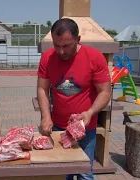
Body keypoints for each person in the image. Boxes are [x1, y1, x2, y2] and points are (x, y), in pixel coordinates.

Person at [36, 18, 111, 180]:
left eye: (66, 46)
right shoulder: (47, 58)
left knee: (85, 172)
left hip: (85, 128)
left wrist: (90, 112)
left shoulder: (95, 57)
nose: (61, 51)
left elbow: (105, 92)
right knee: (61, 173)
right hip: (57, 127)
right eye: (56, 46)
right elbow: (42, 88)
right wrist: (46, 116)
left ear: (78, 40)